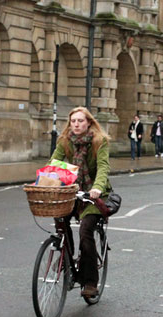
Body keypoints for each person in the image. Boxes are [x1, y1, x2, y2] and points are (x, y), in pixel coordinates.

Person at [50, 106, 111, 298]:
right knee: (60, 219)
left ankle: (91, 282)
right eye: (73, 121)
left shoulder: (99, 142)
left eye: (80, 121)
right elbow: (54, 164)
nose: (76, 124)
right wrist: (45, 181)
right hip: (72, 190)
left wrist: (97, 188)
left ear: (89, 123)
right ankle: (66, 256)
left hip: (94, 194)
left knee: (85, 231)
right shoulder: (65, 142)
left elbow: (103, 167)